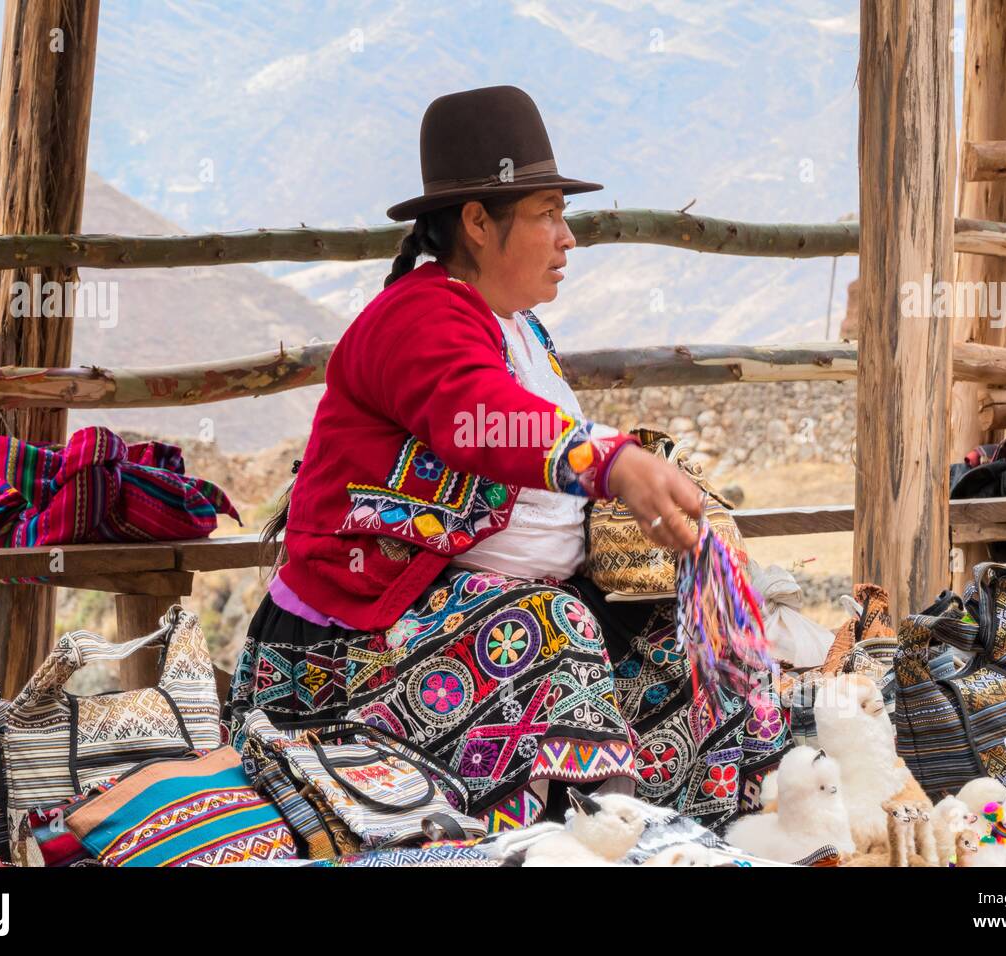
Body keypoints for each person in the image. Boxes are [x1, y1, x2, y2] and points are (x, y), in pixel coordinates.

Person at [226, 85, 788, 833]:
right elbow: (482, 420)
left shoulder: (520, 331)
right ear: (477, 223)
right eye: (548, 214)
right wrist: (612, 462)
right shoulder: (419, 317)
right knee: (550, 630)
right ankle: (603, 841)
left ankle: (706, 831)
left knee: (680, 637)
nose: (568, 238)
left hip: (462, 607)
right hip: (349, 652)